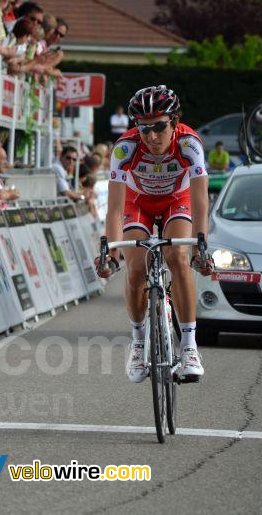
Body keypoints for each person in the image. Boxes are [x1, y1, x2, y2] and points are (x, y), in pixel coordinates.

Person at [97, 85, 213, 384]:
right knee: (136, 267)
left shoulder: (189, 143)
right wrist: (111, 252)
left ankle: (188, 348)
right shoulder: (125, 148)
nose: (151, 136)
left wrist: (201, 244)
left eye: (159, 127)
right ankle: (137, 343)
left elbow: (201, 201)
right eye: (144, 128)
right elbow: (113, 209)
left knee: (178, 255)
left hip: (178, 198)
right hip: (138, 204)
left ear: (174, 121)